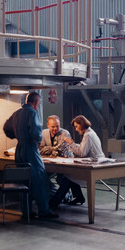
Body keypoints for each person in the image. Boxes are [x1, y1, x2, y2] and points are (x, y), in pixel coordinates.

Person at [8, 91, 58, 219]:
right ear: (36, 102)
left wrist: (19, 136)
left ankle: (27, 211)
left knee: (24, 181)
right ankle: (44, 211)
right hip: (30, 149)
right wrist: (35, 140)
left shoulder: (17, 113)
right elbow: (36, 133)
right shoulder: (32, 113)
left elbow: (6, 129)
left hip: (19, 149)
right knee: (40, 180)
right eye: (39, 103)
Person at [51, 115, 104, 207]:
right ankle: (78, 197)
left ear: (81, 124)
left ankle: (54, 202)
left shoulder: (88, 135)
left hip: (94, 164)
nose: (75, 129)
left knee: (69, 176)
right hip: (94, 161)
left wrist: (71, 143)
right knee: (71, 175)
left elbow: (82, 153)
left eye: (76, 126)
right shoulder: (90, 132)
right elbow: (85, 149)